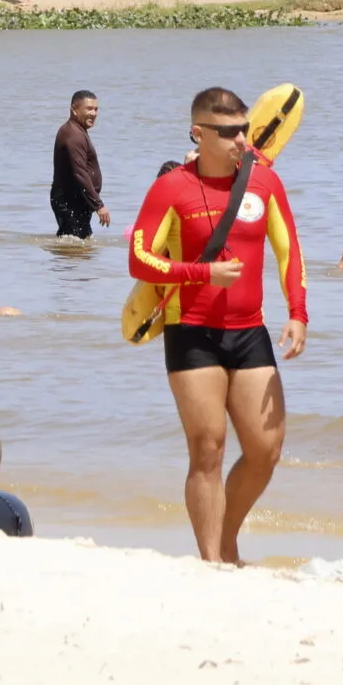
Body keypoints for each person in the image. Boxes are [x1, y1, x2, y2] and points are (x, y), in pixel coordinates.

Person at [127, 85, 307, 564]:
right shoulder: (172, 188)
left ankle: (226, 536)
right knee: (208, 447)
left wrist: (298, 312)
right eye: (227, 133)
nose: (239, 141)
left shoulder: (266, 184)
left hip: (250, 331)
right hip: (190, 329)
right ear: (198, 133)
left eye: (244, 130)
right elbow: (139, 259)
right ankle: (212, 559)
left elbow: (290, 252)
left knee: (266, 449)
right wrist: (200, 273)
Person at [50, 90, 109, 238]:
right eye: (89, 109)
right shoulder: (73, 135)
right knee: (74, 248)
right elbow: (79, 172)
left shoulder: (77, 130)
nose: (94, 113)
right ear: (74, 110)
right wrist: (99, 205)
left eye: (96, 109)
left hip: (77, 201)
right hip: (70, 202)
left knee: (77, 247)